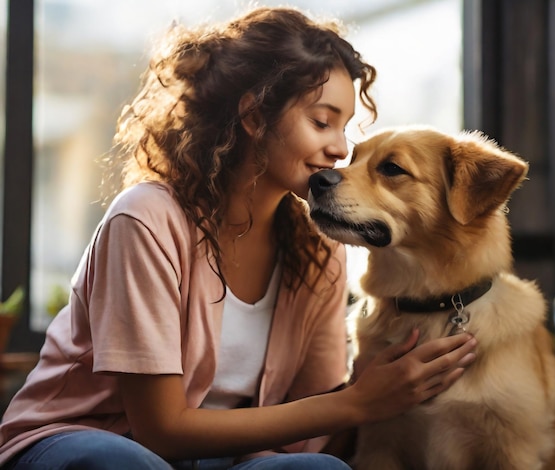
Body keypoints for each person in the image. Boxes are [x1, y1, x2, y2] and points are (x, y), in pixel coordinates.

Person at [0, 6, 477, 470]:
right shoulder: (146, 220)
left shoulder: (319, 246)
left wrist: (382, 386)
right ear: (253, 116)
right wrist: (356, 404)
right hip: (91, 443)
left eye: (344, 127)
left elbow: (306, 428)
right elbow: (159, 428)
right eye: (321, 122)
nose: (339, 149)